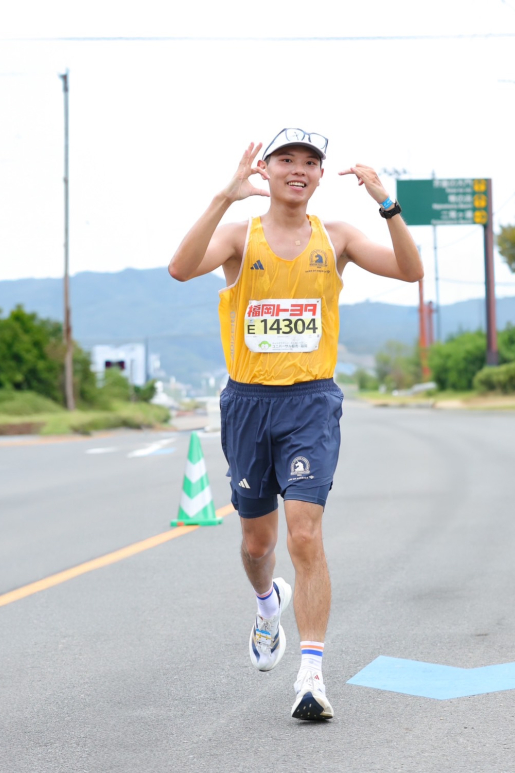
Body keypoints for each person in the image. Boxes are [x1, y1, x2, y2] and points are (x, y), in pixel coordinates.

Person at [169, 128, 423, 720]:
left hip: (310, 402)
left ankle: (311, 676)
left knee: (304, 535)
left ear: (320, 175)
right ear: (267, 168)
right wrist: (224, 197)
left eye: (310, 161)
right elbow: (180, 269)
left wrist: (388, 204)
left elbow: (409, 271)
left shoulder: (337, 237)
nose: (299, 169)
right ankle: (267, 604)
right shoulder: (240, 235)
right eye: (286, 159)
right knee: (257, 543)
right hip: (248, 402)